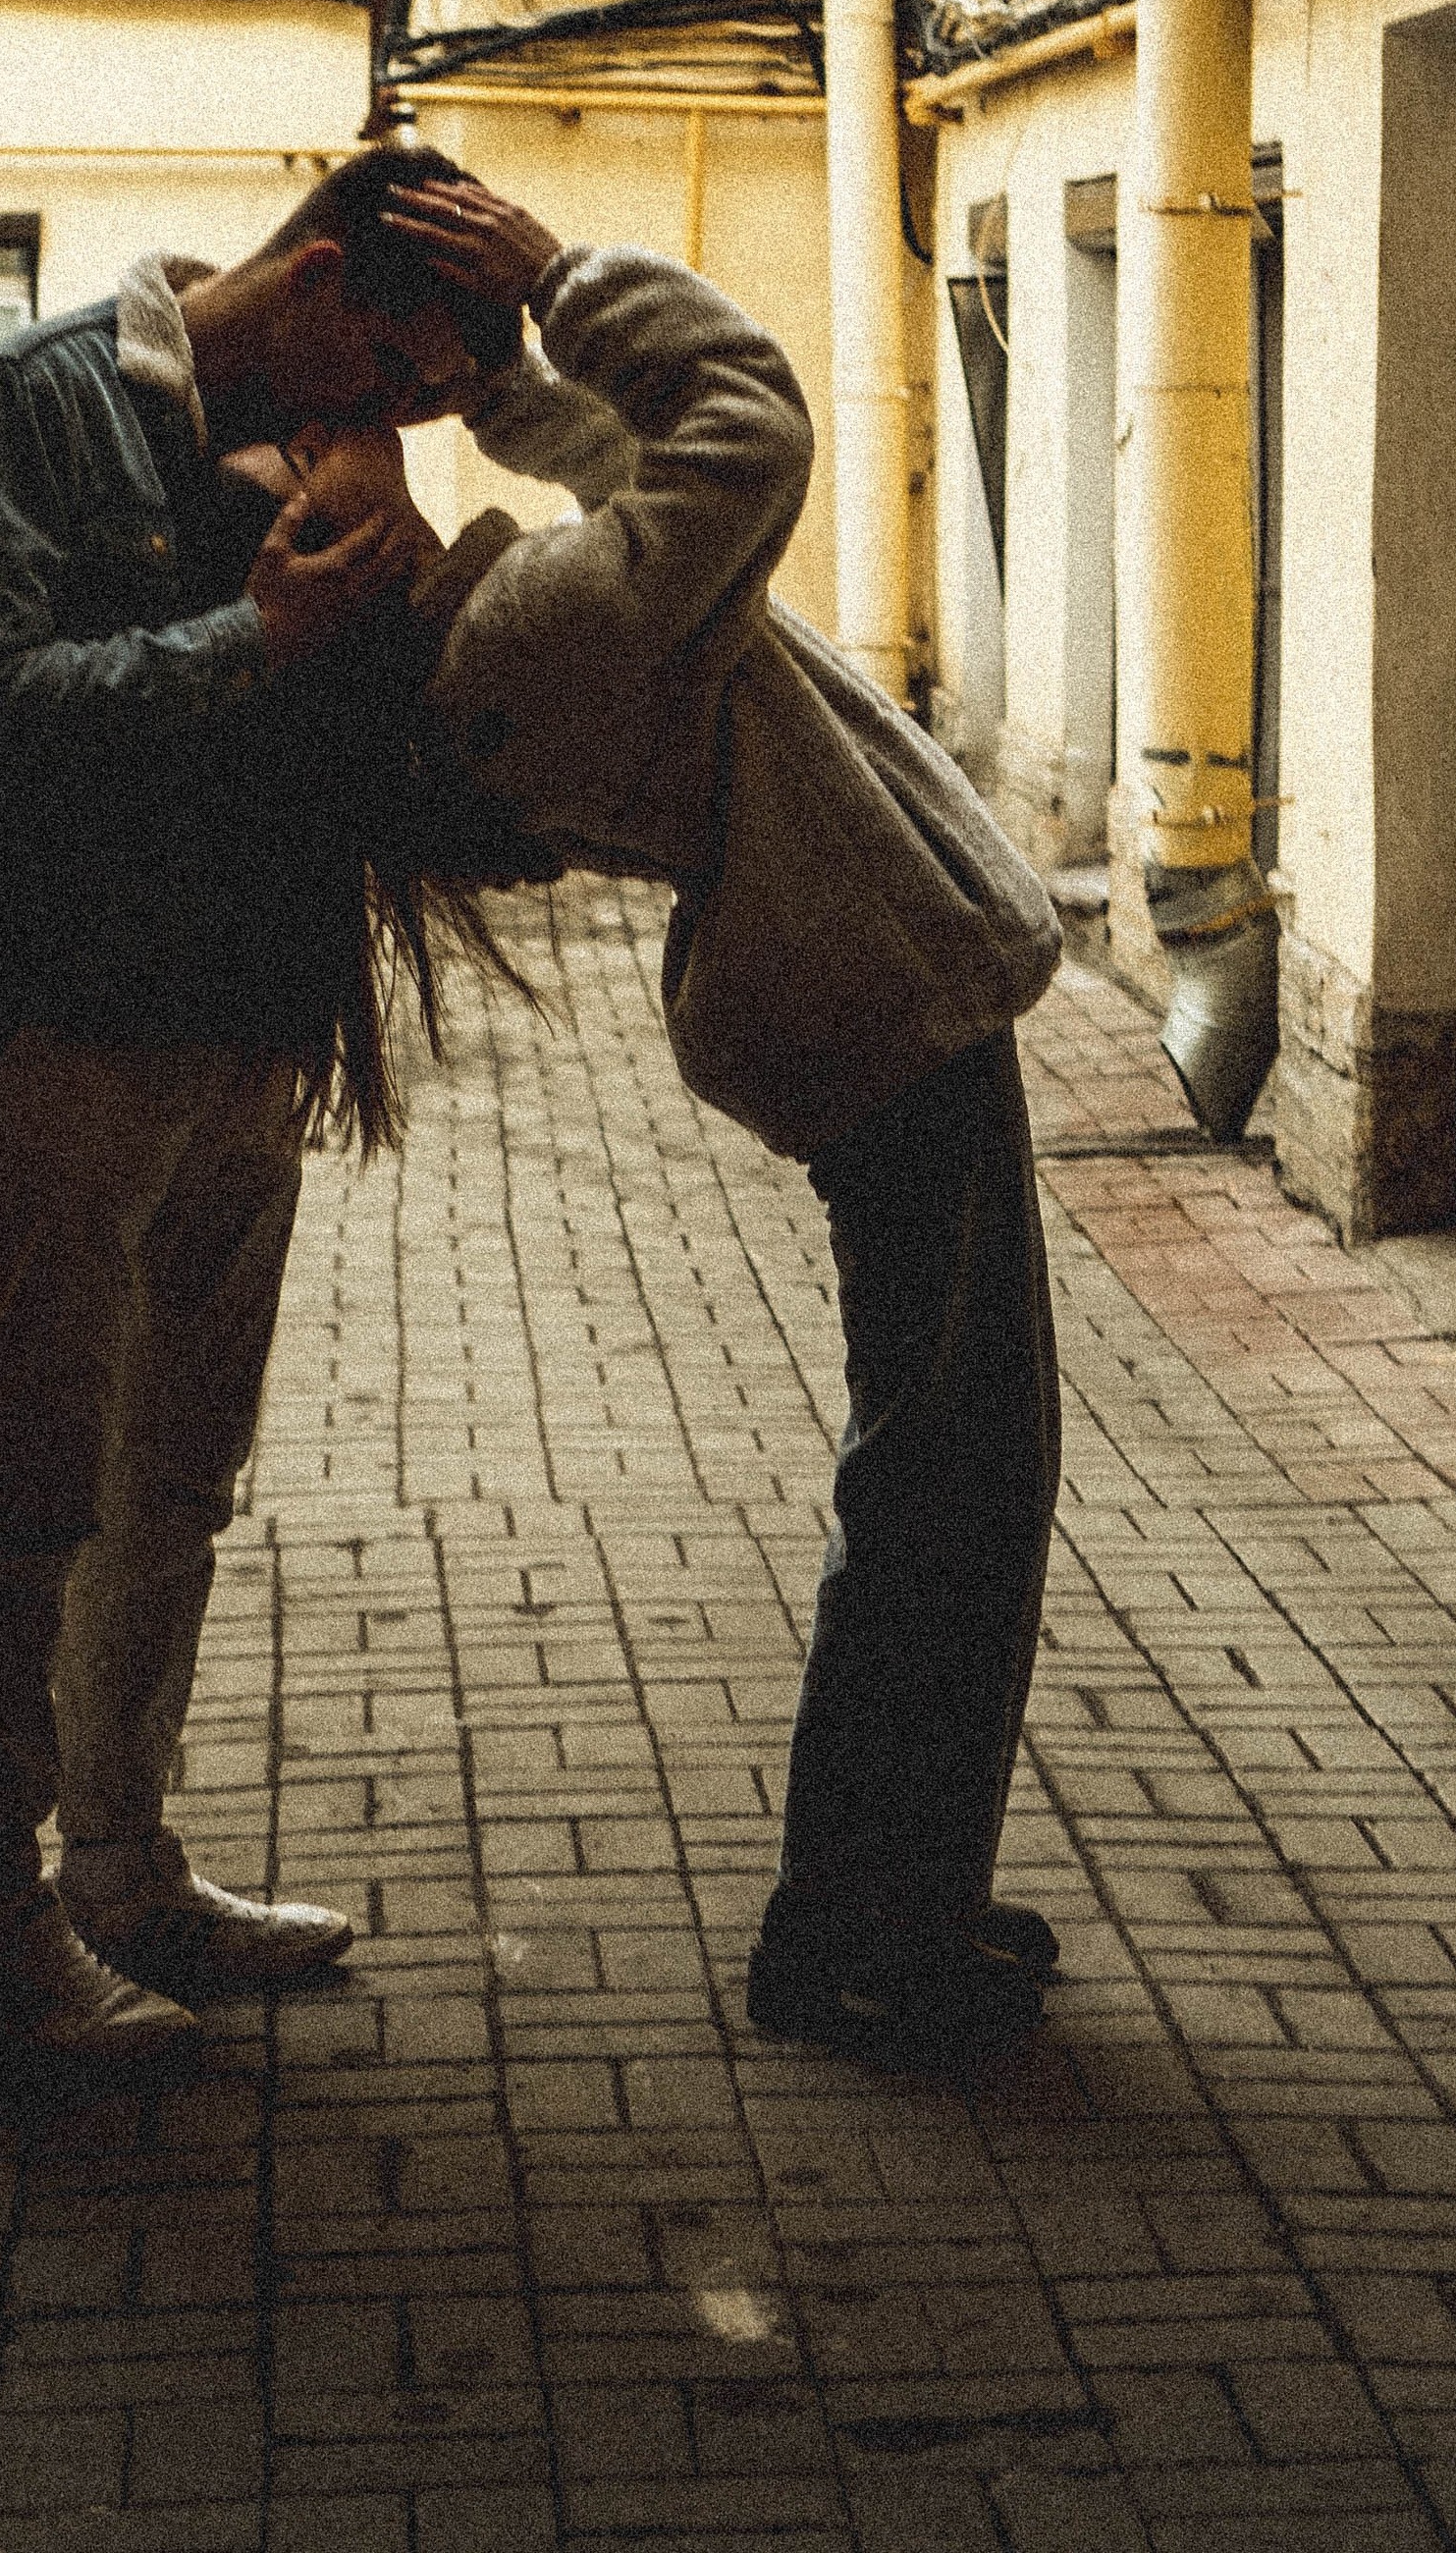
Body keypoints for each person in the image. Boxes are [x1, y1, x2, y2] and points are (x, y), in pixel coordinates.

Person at [281, 172, 1068, 2074]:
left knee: (943, 1470)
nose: (371, 449)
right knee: (947, 1487)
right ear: (329, 560)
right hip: (878, 1006)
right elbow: (736, 430)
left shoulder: (491, 639)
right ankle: (864, 1932)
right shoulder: (527, 639)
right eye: (329, 457)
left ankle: (888, 1900)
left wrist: (491, 383)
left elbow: (623, 482)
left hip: (852, 1000)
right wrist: (564, 280)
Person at [0, 149, 508, 2069]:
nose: (392, 419)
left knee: (175, 1478)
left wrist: (403, 569)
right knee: (34, 1480)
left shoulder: (313, 464)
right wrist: (256, 639)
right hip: (65, 1028)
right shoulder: (44, 401)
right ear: (316, 279)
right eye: (396, 377)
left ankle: (124, 1869)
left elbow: (382, 778)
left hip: (242, 1038)